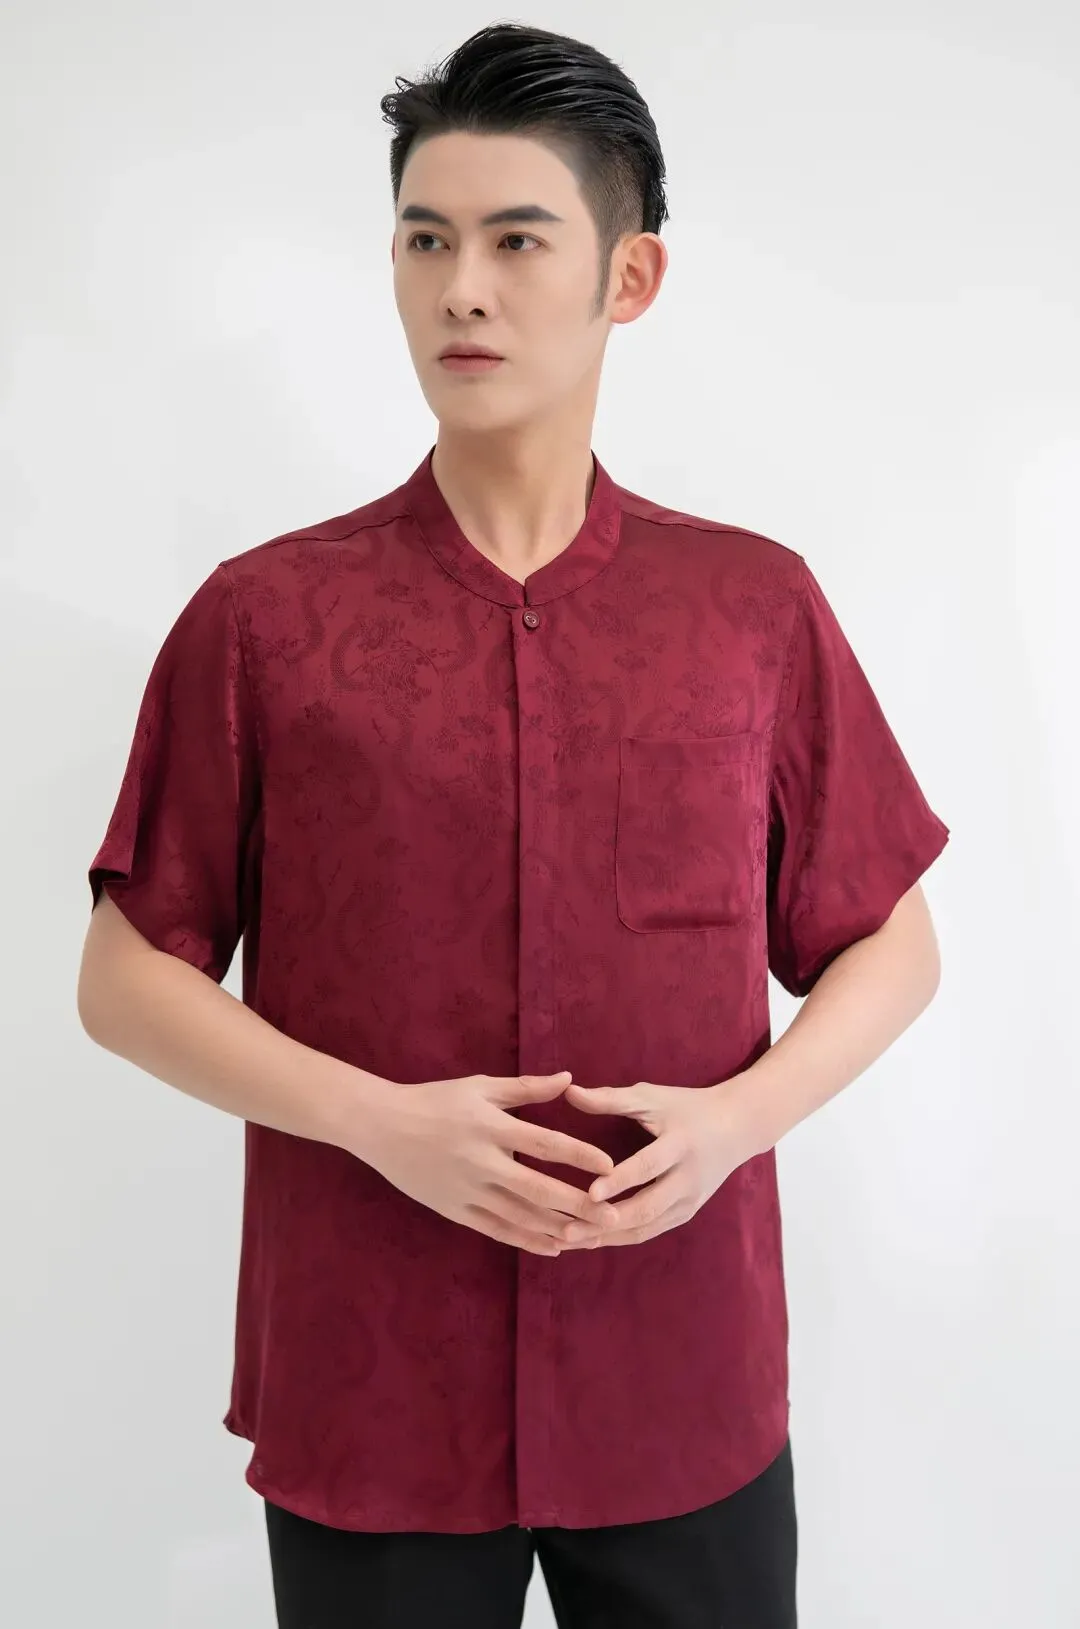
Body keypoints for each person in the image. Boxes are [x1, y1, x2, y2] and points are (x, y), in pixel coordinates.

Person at [77, 21, 950, 1629]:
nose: (461, 290)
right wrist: (378, 1122)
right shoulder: (265, 620)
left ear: (631, 277)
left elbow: (889, 940)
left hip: (677, 1369)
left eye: (516, 241)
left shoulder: (752, 608)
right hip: (373, 1378)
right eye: (425, 241)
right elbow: (125, 979)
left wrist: (739, 1122)